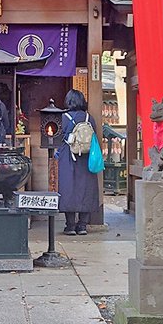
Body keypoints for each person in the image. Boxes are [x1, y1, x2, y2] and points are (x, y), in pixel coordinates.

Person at [55, 89, 101, 235]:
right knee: (86, 188)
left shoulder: (63, 117)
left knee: (68, 188)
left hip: (68, 156)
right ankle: (82, 226)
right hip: (86, 157)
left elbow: (57, 137)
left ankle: (70, 226)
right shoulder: (89, 118)